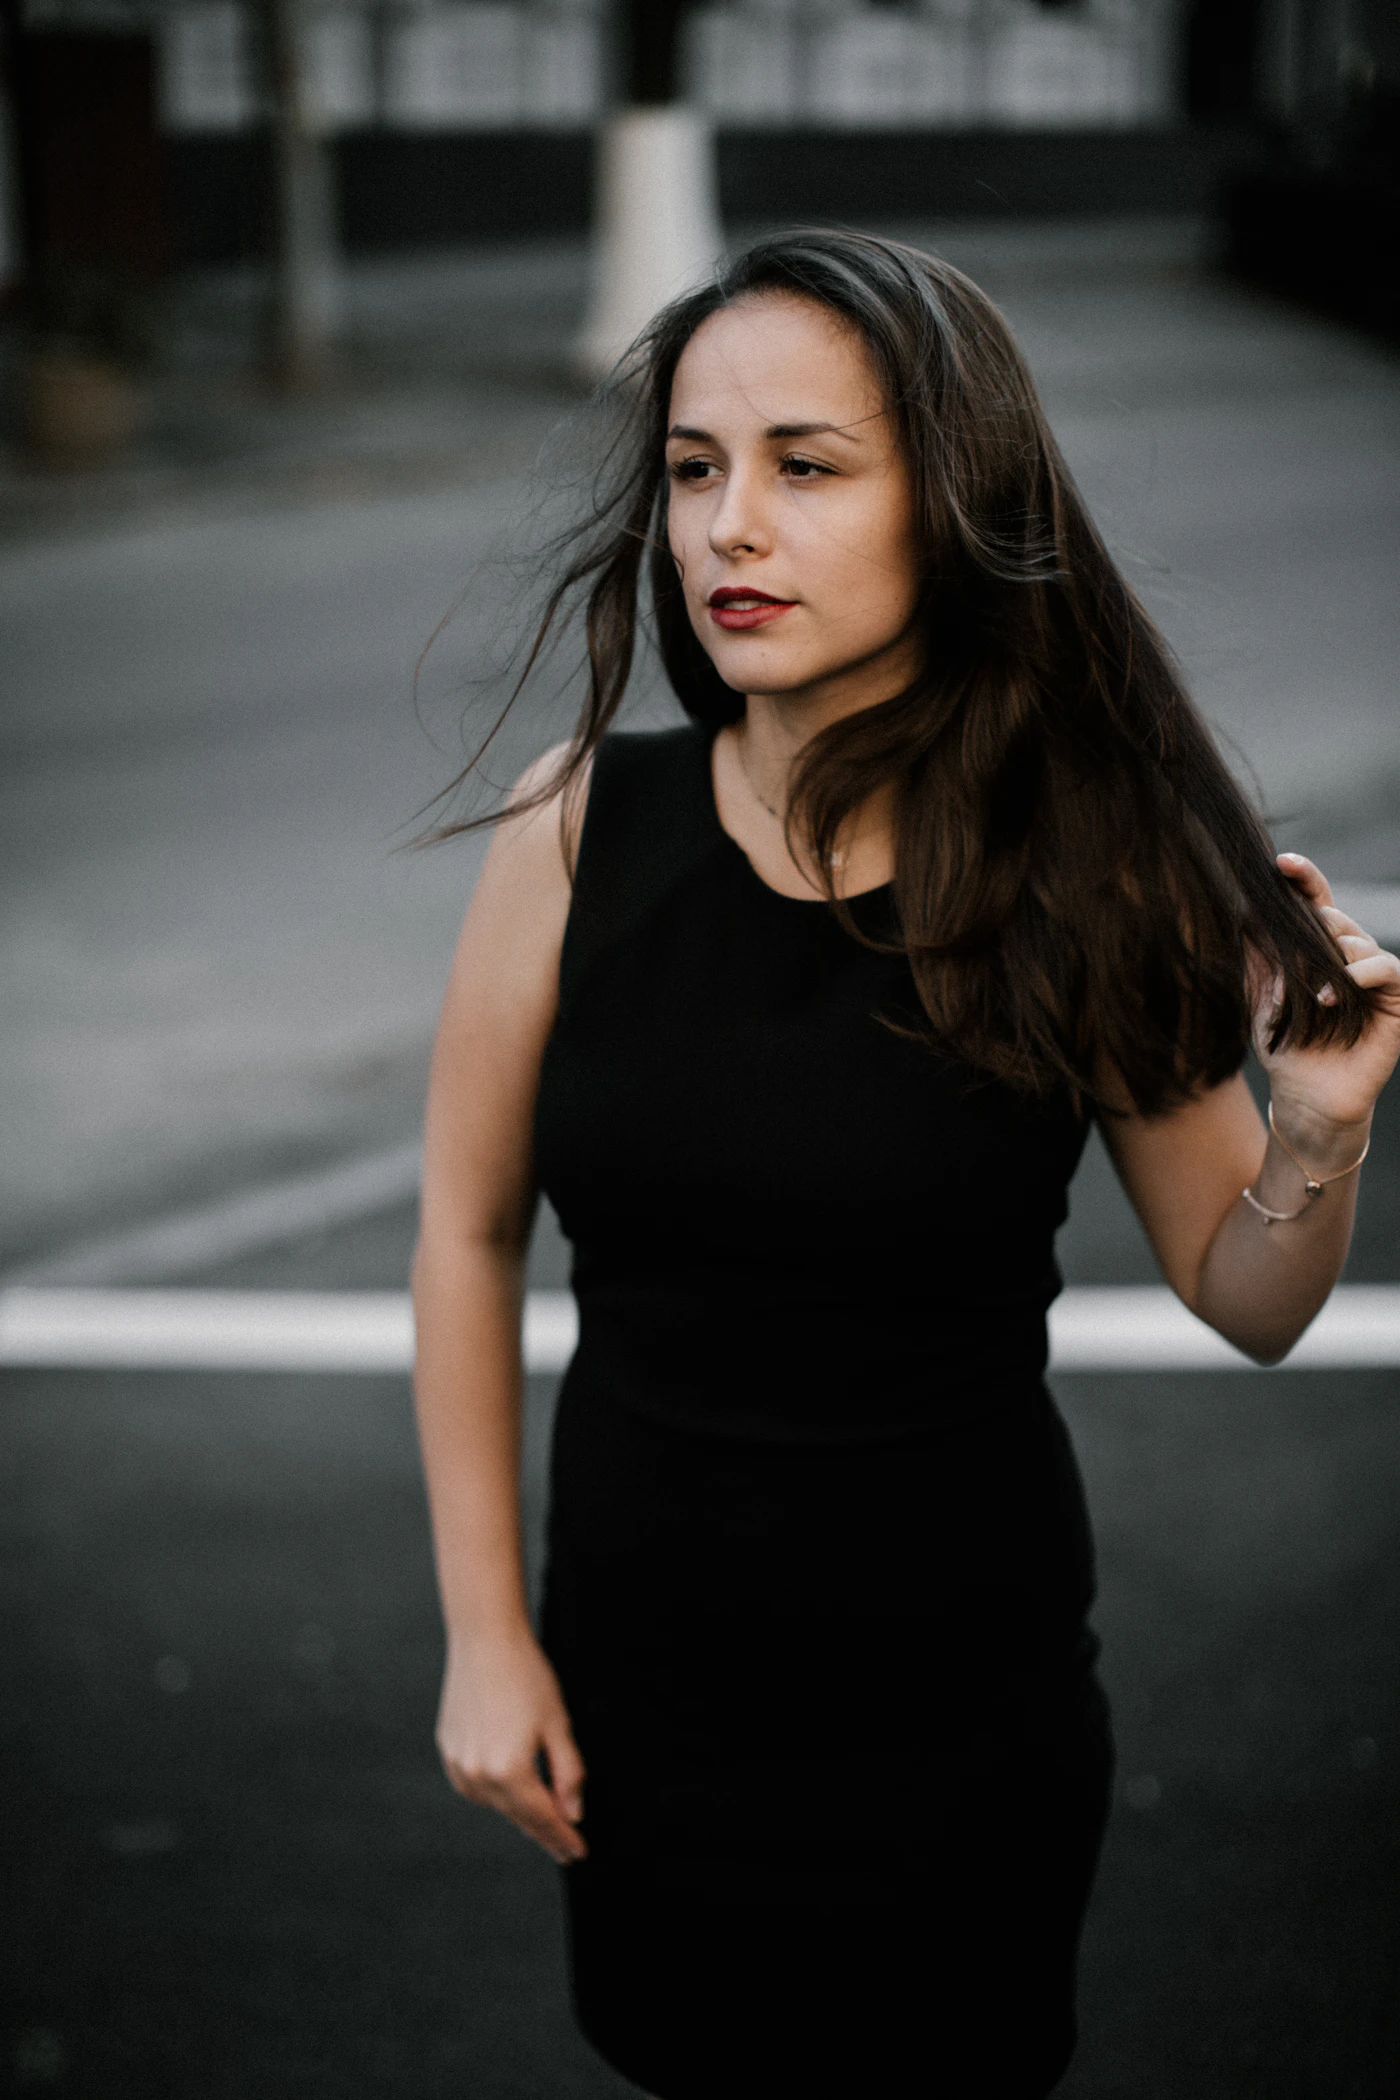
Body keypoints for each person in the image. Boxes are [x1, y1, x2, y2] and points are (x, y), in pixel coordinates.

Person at [410, 232, 1400, 2098]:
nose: (728, 527)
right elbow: (465, 1237)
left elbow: (1251, 1297)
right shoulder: (576, 829)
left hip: (959, 1725)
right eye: (694, 469)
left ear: (955, 504)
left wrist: (1319, 1132)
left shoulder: (1085, 864)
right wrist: (485, 1636)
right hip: (643, 1696)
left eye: (806, 466)